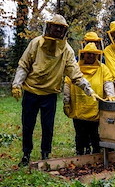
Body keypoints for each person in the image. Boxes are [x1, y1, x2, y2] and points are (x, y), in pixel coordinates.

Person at [11, 14, 101, 167]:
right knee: (28, 125)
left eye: (61, 28)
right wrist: (16, 84)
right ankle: (26, 154)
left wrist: (88, 89)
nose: (58, 30)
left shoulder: (67, 50)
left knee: (48, 126)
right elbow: (24, 65)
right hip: (31, 91)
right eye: (56, 26)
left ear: (64, 30)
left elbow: (75, 73)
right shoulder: (36, 43)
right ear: (49, 27)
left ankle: (45, 154)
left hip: (50, 94)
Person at [63, 42, 115, 155]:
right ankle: (80, 154)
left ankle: (96, 154)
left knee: (95, 134)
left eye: (93, 54)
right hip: (79, 107)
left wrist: (111, 95)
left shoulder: (103, 68)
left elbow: (108, 82)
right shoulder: (76, 67)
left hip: (95, 109)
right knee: (80, 133)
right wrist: (66, 102)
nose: (91, 56)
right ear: (83, 54)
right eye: (88, 54)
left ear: (97, 55)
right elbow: (67, 84)